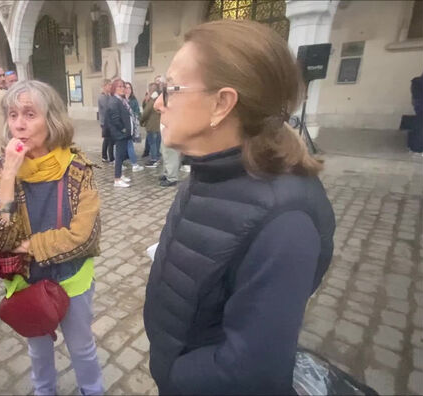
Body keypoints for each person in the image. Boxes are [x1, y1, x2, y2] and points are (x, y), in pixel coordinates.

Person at [143, 20, 335, 394]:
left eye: (170, 89)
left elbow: (249, 371)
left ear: (222, 103)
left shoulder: (286, 221)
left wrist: (172, 375)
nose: (158, 103)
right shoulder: (211, 169)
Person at [0, 80, 104, 396]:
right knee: (38, 351)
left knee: (82, 347)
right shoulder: (0, 173)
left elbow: (84, 236)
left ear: (52, 119)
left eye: (30, 114)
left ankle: (92, 390)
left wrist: (29, 246)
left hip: (72, 280)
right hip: (28, 284)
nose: (19, 124)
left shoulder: (77, 168)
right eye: (13, 114)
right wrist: (8, 175)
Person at [107, 79, 142, 188]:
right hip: (120, 134)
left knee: (121, 156)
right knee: (119, 156)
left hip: (125, 134)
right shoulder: (114, 101)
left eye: (124, 87)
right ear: (114, 89)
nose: (123, 89)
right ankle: (117, 180)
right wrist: (124, 130)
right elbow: (115, 119)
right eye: (120, 87)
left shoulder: (121, 100)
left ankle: (120, 175)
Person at [140, 82, 161, 168]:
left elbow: (145, 112)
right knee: (156, 143)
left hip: (151, 126)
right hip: (158, 126)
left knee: (152, 143)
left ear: (151, 90)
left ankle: (154, 160)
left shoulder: (152, 100)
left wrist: (141, 122)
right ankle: (157, 158)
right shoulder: (159, 98)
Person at [98, 79, 114, 163]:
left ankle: (106, 156)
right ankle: (107, 157)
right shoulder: (103, 97)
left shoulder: (108, 95)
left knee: (108, 139)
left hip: (108, 122)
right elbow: (108, 108)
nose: (111, 86)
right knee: (108, 139)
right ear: (104, 86)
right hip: (105, 122)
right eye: (109, 85)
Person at [409, 69, 423, 154]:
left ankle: (417, 148)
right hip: (421, 109)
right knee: (421, 128)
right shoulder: (417, 82)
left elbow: (415, 98)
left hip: (420, 108)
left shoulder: (416, 81)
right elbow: (416, 97)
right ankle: (418, 148)